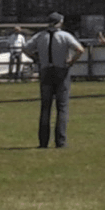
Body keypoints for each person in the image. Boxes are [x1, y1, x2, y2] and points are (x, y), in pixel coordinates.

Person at [27, 12, 86, 148]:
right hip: (61, 70)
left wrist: (36, 58)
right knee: (62, 107)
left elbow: (26, 48)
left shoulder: (40, 36)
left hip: (45, 70)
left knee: (45, 107)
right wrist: (71, 61)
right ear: (60, 22)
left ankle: (43, 142)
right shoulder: (65, 36)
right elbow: (80, 50)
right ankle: (60, 141)